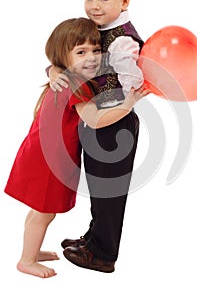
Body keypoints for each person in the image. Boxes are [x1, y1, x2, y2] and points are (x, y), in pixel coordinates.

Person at [4, 17, 147, 279]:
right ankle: (27, 260)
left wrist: (55, 69)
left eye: (95, 50)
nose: (92, 57)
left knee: (38, 211)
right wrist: (128, 104)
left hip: (40, 153)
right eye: (81, 52)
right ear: (64, 58)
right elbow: (93, 119)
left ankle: (32, 251)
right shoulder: (76, 84)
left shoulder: (66, 77)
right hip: (48, 161)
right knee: (43, 214)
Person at [48, 0, 145, 273]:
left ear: (124, 0)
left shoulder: (123, 41)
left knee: (109, 191)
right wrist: (54, 71)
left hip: (115, 122)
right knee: (97, 186)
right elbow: (69, 57)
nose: (94, 6)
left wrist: (125, 98)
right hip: (96, 118)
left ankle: (103, 254)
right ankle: (93, 240)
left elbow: (133, 83)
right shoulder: (97, 29)